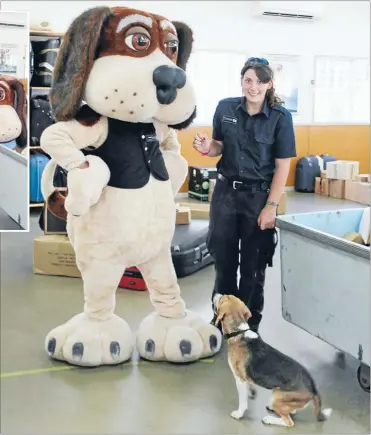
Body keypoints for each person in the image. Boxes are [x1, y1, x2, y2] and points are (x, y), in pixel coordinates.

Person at [193, 57, 296, 332]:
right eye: (248, 80)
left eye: (260, 81)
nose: (253, 87)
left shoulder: (280, 117)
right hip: (225, 194)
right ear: (242, 81)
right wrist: (207, 147)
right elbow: (219, 146)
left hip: (258, 198)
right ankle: (223, 320)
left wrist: (271, 206)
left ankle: (249, 326)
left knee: (253, 267)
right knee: (224, 262)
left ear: (269, 84)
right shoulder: (225, 108)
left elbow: (282, 165)